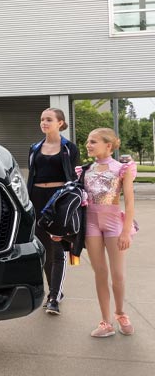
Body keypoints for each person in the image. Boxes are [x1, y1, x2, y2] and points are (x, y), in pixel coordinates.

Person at [79, 128, 137, 338]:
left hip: (114, 224)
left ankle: (120, 313)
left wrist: (125, 231)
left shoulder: (122, 169)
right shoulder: (85, 170)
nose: (88, 144)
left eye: (93, 141)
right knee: (100, 273)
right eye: (88, 141)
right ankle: (106, 322)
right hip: (91, 224)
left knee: (118, 274)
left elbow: (129, 202)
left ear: (109, 146)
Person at [26, 108, 79, 315]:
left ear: (60, 123)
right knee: (43, 249)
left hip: (58, 201)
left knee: (57, 249)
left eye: (48, 119)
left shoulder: (69, 148)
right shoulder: (34, 148)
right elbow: (31, 177)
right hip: (37, 200)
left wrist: (71, 207)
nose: (44, 123)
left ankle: (54, 296)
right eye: (41, 119)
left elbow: (73, 180)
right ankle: (53, 291)